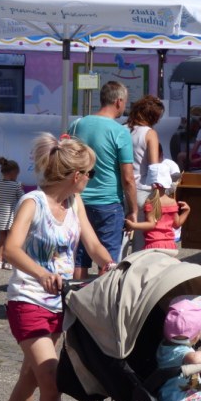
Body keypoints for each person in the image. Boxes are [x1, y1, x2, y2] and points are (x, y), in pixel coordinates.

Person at [0, 133, 114, 401]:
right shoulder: (32, 202)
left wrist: (109, 263)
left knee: (29, 379)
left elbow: (92, 244)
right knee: (50, 383)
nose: (91, 178)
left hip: (60, 304)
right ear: (76, 176)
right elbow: (11, 249)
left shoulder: (74, 202)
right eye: (89, 173)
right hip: (28, 301)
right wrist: (41, 274)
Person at [68, 81, 137, 276]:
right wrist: (133, 210)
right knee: (107, 261)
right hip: (108, 203)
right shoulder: (120, 132)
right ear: (118, 101)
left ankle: (75, 293)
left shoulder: (76, 125)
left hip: (78, 200)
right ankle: (102, 296)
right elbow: (128, 178)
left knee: (79, 258)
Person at [127, 94, 165, 252]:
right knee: (141, 244)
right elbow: (154, 166)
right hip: (142, 189)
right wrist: (159, 192)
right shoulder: (150, 133)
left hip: (123, 188)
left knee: (122, 240)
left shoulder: (123, 129)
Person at [124, 163, 190, 251]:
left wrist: (133, 225)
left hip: (153, 244)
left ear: (151, 182)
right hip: (169, 245)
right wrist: (186, 211)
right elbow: (177, 224)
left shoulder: (150, 201)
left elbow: (151, 224)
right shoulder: (172, 201)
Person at [0, 157, 25, 270]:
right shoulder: (16, 185)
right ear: (13, 173)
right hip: (10, 215)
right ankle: (8, 262)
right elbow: (22, 197)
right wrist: (21, 188)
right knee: (10, 239)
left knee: (1, 239)